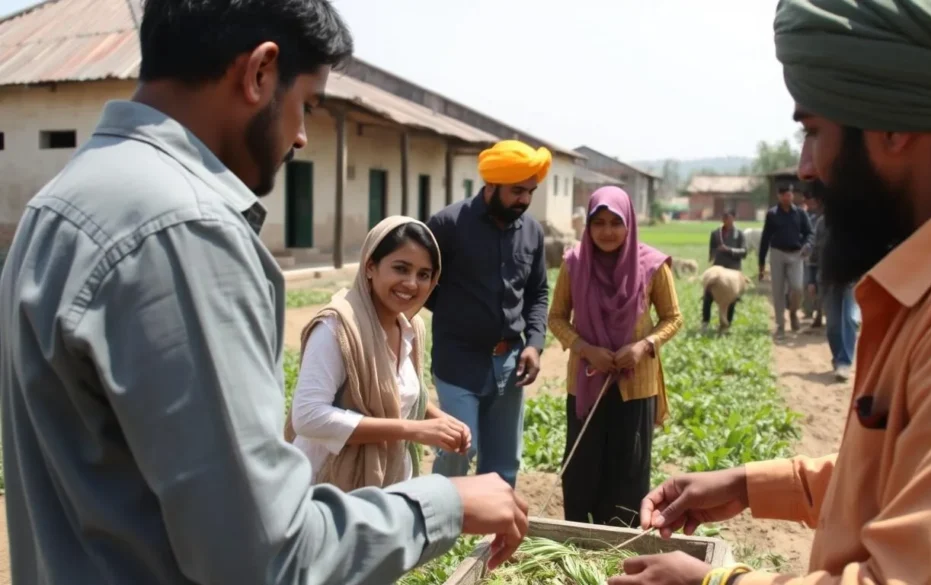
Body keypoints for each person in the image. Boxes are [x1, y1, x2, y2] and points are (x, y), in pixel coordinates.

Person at [0, 3, 528, 584]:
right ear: (259, 72)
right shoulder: (186, 231)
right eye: (305, 104)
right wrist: (445, 504)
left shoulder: (57, 204)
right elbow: (264, 555)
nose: (301, 135)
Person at [609, 1, 931, 584]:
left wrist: (715, 582)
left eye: (813, 131)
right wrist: (751, 485)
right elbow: (903, 471)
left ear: (894, 126)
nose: (804, 167)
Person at [284, 216, 472, 490]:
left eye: (424, 274)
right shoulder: (338, 328)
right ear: (370, 266)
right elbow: (309, 417)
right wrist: (413, 430)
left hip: (386, 482)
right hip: (328, 489)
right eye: (401, 268)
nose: (411, 283)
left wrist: (438, 419)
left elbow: (396, 393)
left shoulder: (410, 327)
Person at [548, 186, 682, 528]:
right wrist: (585, 349)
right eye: (599, 223)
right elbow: (557, 317)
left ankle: (619, 543)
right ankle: (579, 538)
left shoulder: (652, 265)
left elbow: (673, 317)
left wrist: (644, 345)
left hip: (635, 385)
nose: (607, 232)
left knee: (629, 468)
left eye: (615, 223)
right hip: (587, 383)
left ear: (630, 224)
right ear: (588, 226)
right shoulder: (575, 263)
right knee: (581, 467)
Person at [426, 139, 550, 489]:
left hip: (511, 364)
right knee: (460, 447)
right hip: (458, 361)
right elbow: (424, 284)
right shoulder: (448, 225)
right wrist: (457, 313)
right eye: (517, 191)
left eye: (530, 191)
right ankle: (437, 525)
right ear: (491, 184)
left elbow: (537, 292)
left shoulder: (532, 232)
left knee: (503, 464)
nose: (524, 200)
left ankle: (492, 539)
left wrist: (534, 344)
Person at [806, 204, 859, 382]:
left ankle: (845, 363)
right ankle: (838, 358)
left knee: (851, 318)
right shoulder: (822, 223)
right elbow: (814, 254)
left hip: (851, 278)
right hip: (828, 280)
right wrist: (811, 279)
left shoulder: (857, 222)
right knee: (833, 325)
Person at [757, 184, 813, 339]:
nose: (786, 197)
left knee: (797, 287)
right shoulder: (772, 214)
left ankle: (794, 312)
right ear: (778, 196)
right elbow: (765, 238)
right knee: (778, 290)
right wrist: (761, 262)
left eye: (789, 195)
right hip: (777, 254)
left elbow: (809, 233)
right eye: (783, 195)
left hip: (796, 254)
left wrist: (808, 245)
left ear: (792, 195)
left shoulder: (800, 214)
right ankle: (780, 325)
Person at [702, 209, 747, 330]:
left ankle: (727, 323)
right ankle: (705, 322)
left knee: (731, 299)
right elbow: (711, 249)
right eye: (724, 217)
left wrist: (729, 250)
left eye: (728, 217)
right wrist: (712, 259)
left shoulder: (739, 234)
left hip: (732, 270)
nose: (726, 220)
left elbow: (744, 252)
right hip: (718, 268)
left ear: (734, 218)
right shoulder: (716, 233)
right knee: (708, 295)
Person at [801, 193, 823, 326]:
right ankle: (814, 312)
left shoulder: (825, 218)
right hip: (812, 255)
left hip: (825, 257)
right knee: (811, 285)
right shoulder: (809, 217)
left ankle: (819, 314)